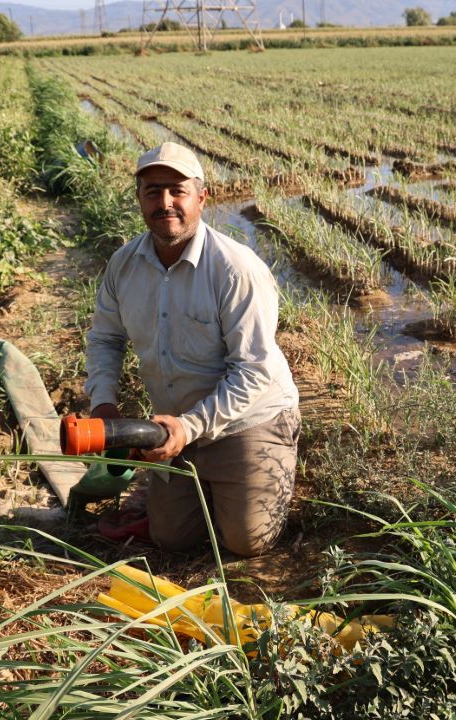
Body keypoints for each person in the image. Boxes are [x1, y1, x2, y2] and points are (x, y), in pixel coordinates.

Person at [84, 142, 300, 557]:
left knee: (246, 542)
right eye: (152, 192)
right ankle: (187, 491)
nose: (165, 202)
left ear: (202, 198)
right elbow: (106, 339)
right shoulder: (124, 265)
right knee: (172, 540)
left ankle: (267, 464)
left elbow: (253, 370)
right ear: (139, 199)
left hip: (247, 419)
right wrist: (104, 403)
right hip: (175, 420)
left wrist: (190, 427)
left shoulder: (235, 269)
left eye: (177, 191)